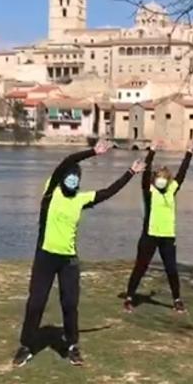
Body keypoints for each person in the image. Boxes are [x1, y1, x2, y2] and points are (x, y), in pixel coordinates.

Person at [12, 140, 146, 368]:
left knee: (70, 303)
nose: (73, 179)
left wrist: (130, 172)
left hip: (69, 260)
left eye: (77, 177)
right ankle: (26, 346)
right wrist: (92, 152)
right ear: (63, 177)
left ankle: (72, 346)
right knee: (36, 303)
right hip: (45, 257)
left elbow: (108, 192)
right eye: (70, 175)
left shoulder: (81, 199)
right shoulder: (50, 192)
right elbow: (68, 161)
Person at [122, 139, 193, 314]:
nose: (161, 181)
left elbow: (182, 173)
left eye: (164, 179)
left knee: (171, 269)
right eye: (159, 179)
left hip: (167, 236)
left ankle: (177, 300)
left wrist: (189, 153)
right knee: (140, 267)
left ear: (168, 180)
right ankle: (129, 297)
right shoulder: (149, 191)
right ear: (155, 180)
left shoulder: (172, 189)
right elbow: (146, 173)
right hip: (150, 235)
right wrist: (152, 151)